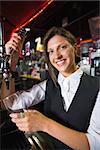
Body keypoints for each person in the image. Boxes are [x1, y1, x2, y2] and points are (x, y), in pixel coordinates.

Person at [3, 27, 100, 150]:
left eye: (63, 47)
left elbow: (96, 144)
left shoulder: (97, 87)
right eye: (51, 51)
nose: (57, 56)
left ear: (75, 48)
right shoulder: (47, 86)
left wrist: (44, 124)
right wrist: (10, 62)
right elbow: (11, 103)